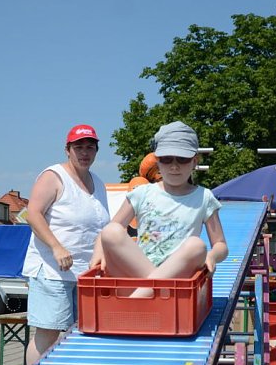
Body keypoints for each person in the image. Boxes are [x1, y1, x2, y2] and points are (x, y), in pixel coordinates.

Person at [91, 121, 227, 289]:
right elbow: (110, 230)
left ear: (194, 162)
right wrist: (99, 252)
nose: (174, 166)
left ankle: (140, 299)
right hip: (139, 274)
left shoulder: (204, 197)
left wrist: (212, 256)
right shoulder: (142, 193)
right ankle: (153, 292)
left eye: (183, 159)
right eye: (167, 159)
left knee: (197, 245)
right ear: (157, 161)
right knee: (111, 230)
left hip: (179, 281)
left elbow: (220, 244)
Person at [22, 124, 110, 365]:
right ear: (67, 150)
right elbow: (33, 214)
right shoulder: (54, 177)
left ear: (96, 151)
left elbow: (102, 228)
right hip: (52, 271)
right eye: (78, 147)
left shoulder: (98, 183)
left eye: (90, 147)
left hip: (85, 274)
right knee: (48, 333)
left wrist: (102, 257)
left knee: (83, 334)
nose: (84, 152)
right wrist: (56, 247)